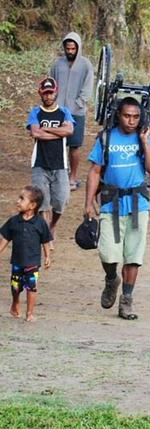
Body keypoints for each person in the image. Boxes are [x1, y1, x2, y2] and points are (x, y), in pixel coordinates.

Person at [84, 97, 150, 320]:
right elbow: (95, 171)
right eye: (127, 116)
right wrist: (88, 203)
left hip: (138, 204)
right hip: (111, 203)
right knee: (108, 253)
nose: (131, 121)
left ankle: (126, 300)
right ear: (118, 115)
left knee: (133, 255)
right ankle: (111, 279)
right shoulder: (106, 137)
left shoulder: (145, 138)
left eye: (136, 117)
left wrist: (145, 142)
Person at [27, 77, 74, 245]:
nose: (48, 96)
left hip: (60, 164)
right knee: (43, 203)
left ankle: (52, 225)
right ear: (40, 93)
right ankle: (47, 236)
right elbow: (36, 133)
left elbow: (69, 130)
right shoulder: (35, 112)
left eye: (51, 93)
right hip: (40, 163)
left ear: (56, 92)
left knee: (61, 200)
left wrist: (45, 128)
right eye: (45, 93)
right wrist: (57, 132)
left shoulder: (64, 112)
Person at [0, 186, 52, 322]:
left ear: (32, 205)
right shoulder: (13, 221)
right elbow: (5, 239)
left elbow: (45, 241)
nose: (18, 201)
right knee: (15, 287)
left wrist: (47, 256)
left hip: (33, 263)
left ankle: (29, 313)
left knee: (32, 287)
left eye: (22, 199)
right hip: (17, 262)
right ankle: (15, 302)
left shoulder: (40, 223)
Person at [49, 32, 93, 191]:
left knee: (74, 146)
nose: (70, 51)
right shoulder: (57, 64)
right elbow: (51, 84)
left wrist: (78, 104)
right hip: (58, 110)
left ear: (78, 48)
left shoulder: (86, 65)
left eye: (73, 48)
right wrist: (52, 104)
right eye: (68, 48)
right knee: (56, 144)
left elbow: (87, 89)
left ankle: (72, 178)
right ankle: (57, 177)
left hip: (76, 112)